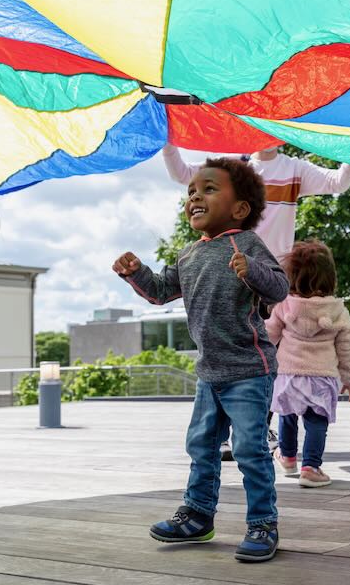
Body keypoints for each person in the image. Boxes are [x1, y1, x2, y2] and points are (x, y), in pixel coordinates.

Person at [113, 158, 288, 562]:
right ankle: (197, 515)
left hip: (249, 369)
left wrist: (252, 272)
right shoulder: (189, 254)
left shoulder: (246, 244)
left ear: (240, 209)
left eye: (209, 189)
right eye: (192, 190)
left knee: (249, 449)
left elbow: (279, 287)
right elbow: (160, 292)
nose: (195, 195)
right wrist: (136, 272)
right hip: (210, 372)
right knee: (201, 445)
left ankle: (263, 522)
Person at [163, 144, 350, 459]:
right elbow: (182, 173)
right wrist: (168, 141)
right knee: (237, 354)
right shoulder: (232, 167)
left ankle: (254, 428)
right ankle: (228, 434)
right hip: (232, 271)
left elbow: (338, 183)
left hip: (271, 280)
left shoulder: (295, 169)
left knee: (265, 358)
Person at [266, 240, 350, 488]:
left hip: (287, 375)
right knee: (316, 422)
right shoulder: (338, 310)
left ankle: (286, 458)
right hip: (321, 376)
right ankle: (311, 467)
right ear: (330, 278)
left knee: (286, 417)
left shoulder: (284, 305)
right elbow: (347, 348)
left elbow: (269, 336)